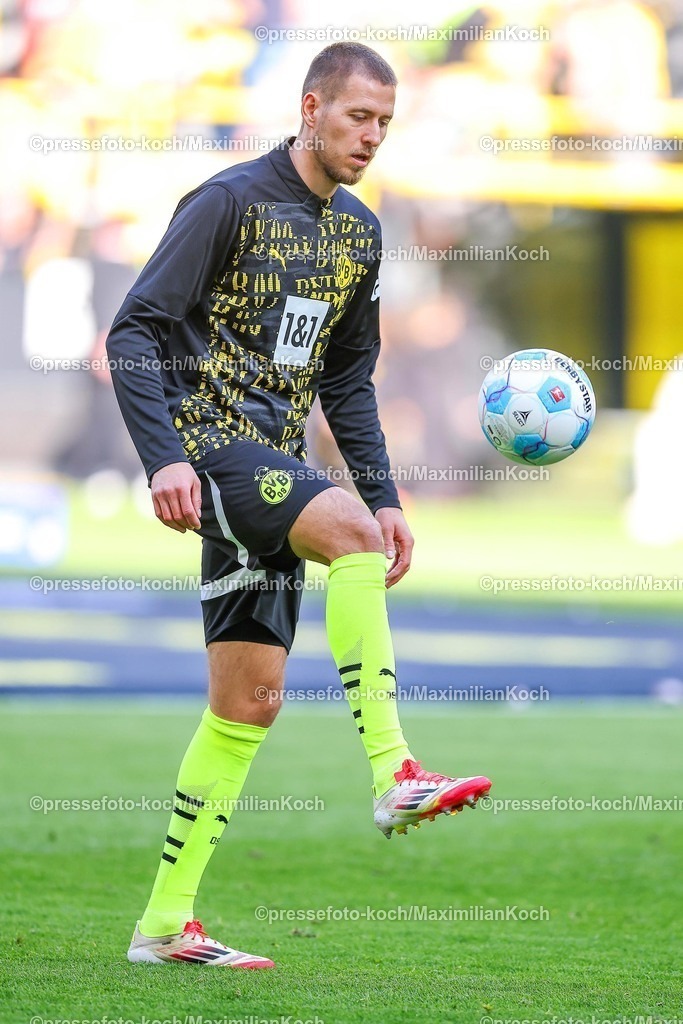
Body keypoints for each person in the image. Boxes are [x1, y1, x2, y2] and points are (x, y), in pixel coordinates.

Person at [106, 42, 491, 969]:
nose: (371, 138)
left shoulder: (358, 233)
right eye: (358, 117)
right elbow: (133, 330)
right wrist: (164, 457)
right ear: (311, 106)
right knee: (350, 542)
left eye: (385, 125)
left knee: (247, 706)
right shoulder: (227, 202)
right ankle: (395, 771)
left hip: (272, 466)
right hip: (212, 450)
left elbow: (348, 383)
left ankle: (162, 925)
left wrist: (386, 496)